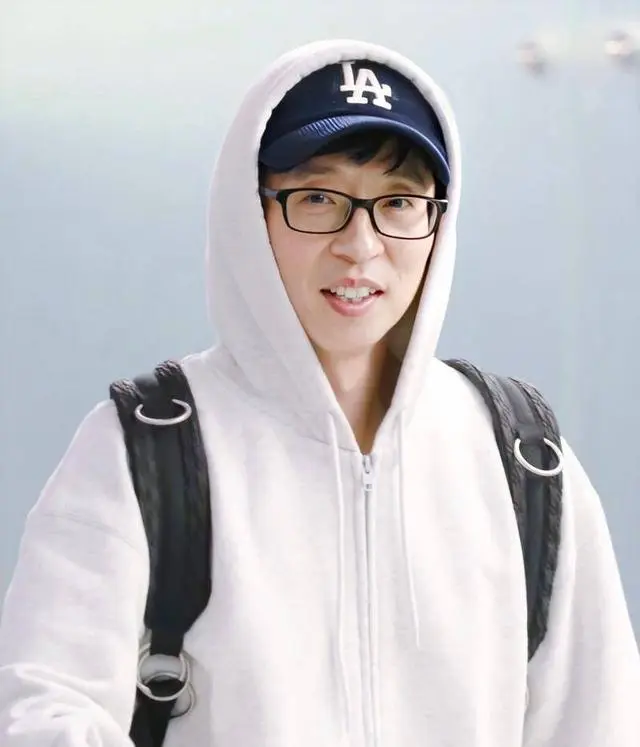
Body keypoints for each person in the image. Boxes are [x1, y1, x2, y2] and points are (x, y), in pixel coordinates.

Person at [0, 38, 638, 747]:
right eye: (318, 198)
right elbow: (46, 711)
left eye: (399, 202)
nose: (360, 246)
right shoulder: (144, 450)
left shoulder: (523, 461)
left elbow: (601, 723)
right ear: (251, 214)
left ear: (439, 220)